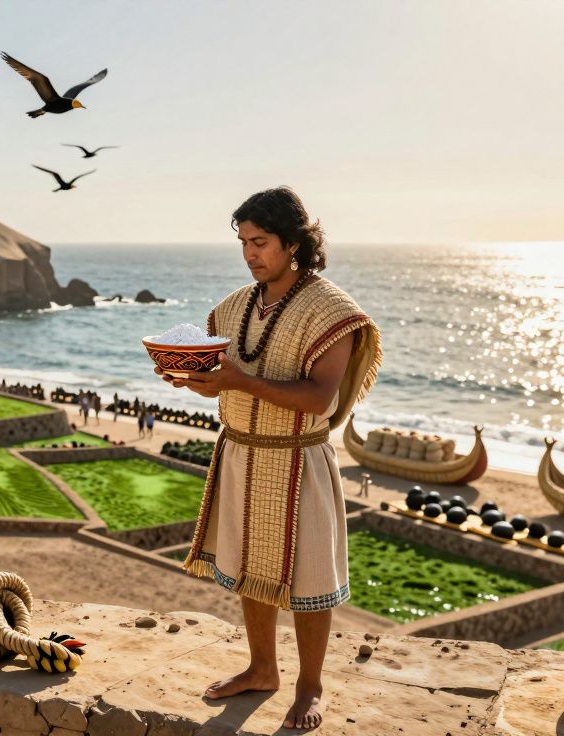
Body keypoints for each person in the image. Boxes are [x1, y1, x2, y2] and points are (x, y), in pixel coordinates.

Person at [157, 186, 381, 730]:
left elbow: (319, 398)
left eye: (260, 242)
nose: (250, 254)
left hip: (299, 459)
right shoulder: (234, 306)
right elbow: (221, 381)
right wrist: (197, 381)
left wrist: (240, 380)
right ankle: (262, 669)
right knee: (245, 570)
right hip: (240, 454)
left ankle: (310, 686)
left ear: (294, 243)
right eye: (244, 243)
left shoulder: (333, 311)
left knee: (308, 582)